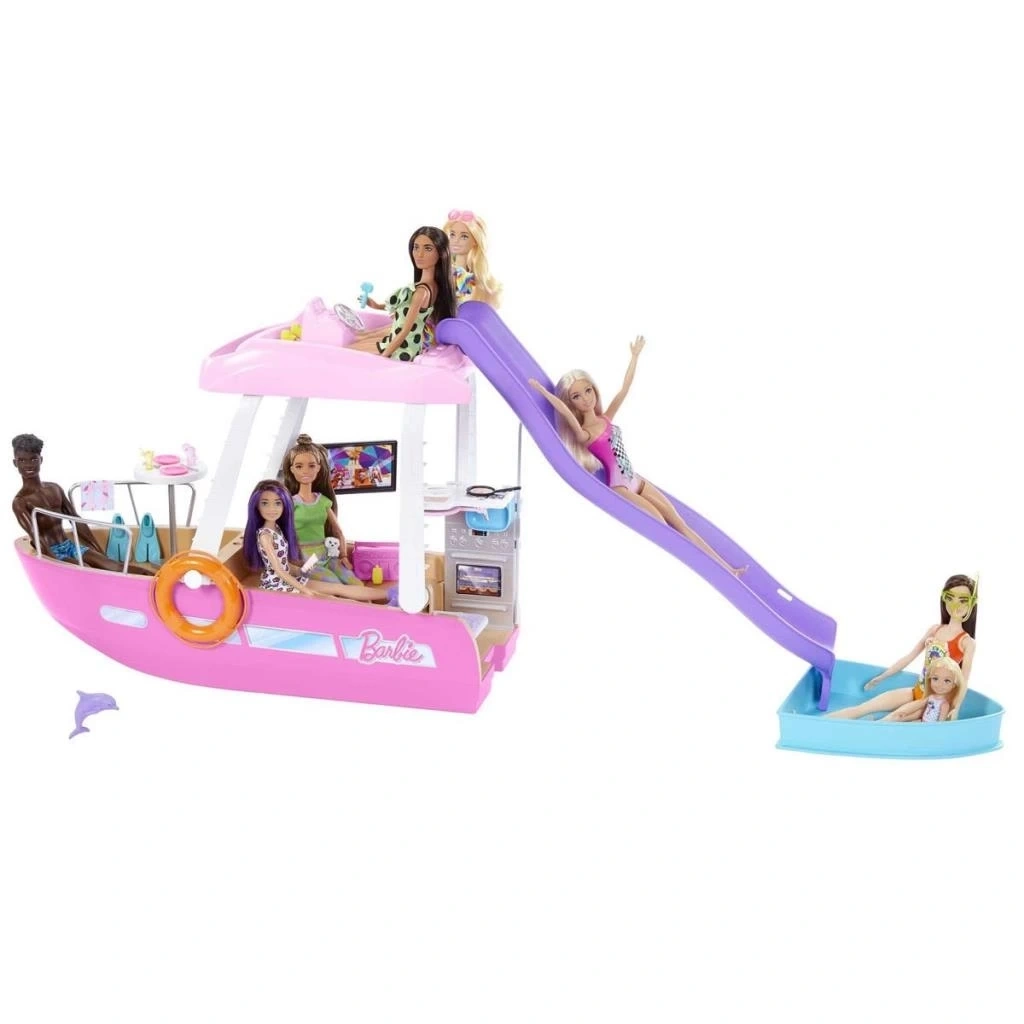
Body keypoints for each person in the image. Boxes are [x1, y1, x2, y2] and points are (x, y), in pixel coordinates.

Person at [529, 339, 747, 578]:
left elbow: (624, 389)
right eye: (576, 396)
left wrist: (634, 357)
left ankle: (729, 570)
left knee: (680, 524)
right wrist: (543, 392)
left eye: (588, 390)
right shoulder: (585, 434)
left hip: (636, 479)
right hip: (621, 486)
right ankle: (716, 570)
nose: (585, 399)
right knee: (664, 527)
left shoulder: (605, 419)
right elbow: (564, 412)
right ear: (571, 402)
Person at [826, 574, 978, 721]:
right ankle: (820, 723)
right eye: (950, 598)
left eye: (963, 600)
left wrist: (955, 707)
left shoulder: (966, 642)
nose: (955, 605)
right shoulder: (935, 630)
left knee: (891, 718)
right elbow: (909, 657)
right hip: (916, 691)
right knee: (863, 708)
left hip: (933, 702)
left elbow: (963, 681)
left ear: (971, 603)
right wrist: (883, 676)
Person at [11, 433, 155, 575]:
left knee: (115, 567)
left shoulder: (54, 488)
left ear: (41, 460)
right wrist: (54, 563)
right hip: (50, 552)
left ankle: (158, 578)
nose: (28, 465)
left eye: (33, 459)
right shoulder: (20, 502)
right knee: (86, 570)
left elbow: (75, 519)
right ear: (15, 463)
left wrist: (98, 550)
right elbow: (36, 537)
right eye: (22, 460)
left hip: (69, 545)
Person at [242, 480, 384, 601]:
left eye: (277, 503)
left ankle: (389, 594)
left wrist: (300, 570)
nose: (272, 509)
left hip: (290, 579)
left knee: (338, 588)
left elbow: (284, 563)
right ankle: (369, 612)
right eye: (265, 503)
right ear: (256, 506)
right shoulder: (265, 536)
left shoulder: (277, 529)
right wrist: (304, 589)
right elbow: (278, 570)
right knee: (332, 598)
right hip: (277, 584)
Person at [349, 226, 457, 360]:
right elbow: (404, 307)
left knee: (350, 350)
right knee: (357, 342)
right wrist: (376, 305)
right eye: (416, 247)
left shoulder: (422, 292)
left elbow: (405, 330)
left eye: (428, 249)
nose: (419, 254)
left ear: (441, 253)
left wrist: (384, 356)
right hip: (403, 341)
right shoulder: (432, 286)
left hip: (404, 347)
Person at [279, 434, 363, 587]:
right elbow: (282, 535)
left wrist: (344, 555)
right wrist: (290, 562)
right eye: (299, 466)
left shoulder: (323, 501)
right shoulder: (290, 503)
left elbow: (338, 531)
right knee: (335, 585)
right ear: (292, 470)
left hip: (326, 554)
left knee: (356, 584)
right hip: (306, 559)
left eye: (311, 466)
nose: (305, 471)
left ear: (318, 468)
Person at [444, 209, 503, 307]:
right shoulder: (444, 269)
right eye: (452, 234)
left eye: (464, 236)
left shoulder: (469, 278)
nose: (456, 240)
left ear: (475, 241)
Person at [877, 656, 962, 723]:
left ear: (954, 685)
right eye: (935, 679)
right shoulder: (931, 697)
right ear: (930, 679)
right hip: (923, 722)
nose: (940, 684)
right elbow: (919, 704)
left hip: (931, 727)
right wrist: (906, 713)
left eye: (947, 681)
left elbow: (941, 722)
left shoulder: (944, 704)